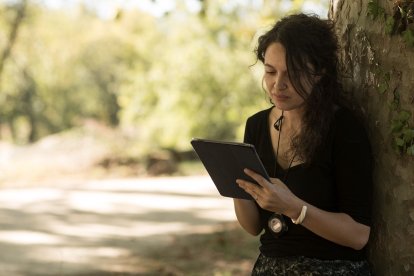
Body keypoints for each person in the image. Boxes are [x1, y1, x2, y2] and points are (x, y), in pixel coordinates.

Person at [234, 13, 373, 275]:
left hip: (333, 268)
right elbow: (253, 226)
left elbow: (358, 235)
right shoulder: (256, 126)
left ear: (319, 72)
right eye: (270, 71)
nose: (278, 84)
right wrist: (232, 182)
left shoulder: (343, 127)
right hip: (269, 266)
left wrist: (292, 206)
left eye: (292, 73)